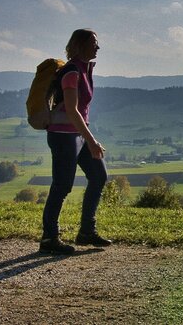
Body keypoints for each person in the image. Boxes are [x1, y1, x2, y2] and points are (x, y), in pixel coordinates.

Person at [39, 28, 111, 255]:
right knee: (62, 185)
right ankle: (49, 238)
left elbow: (80, 110)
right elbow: (71, 110)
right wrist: (91, 141)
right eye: (94, 43)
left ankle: (86, 232)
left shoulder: (84, 69)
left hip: (77, 134)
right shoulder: (72, 71)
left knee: (99, 175)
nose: (98, 47)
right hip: (63, 135)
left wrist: (86, 137)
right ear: (80, 46)